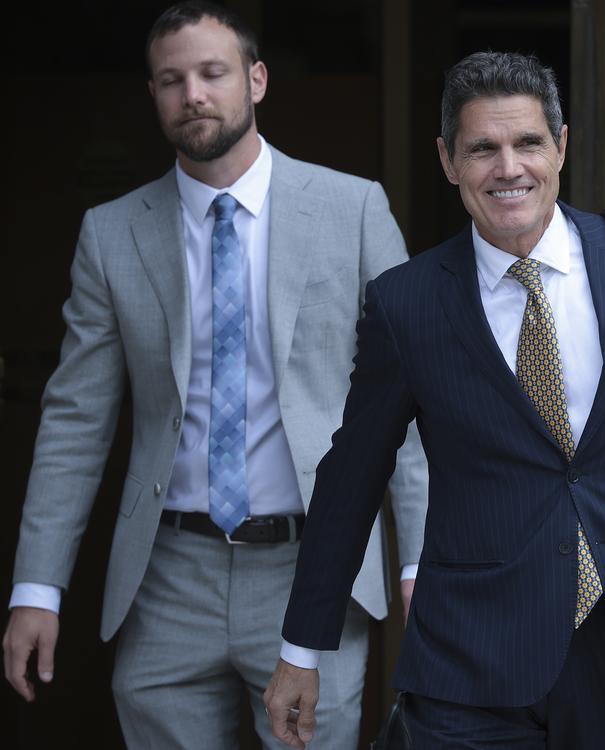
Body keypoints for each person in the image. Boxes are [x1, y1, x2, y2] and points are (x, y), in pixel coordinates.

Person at [265, 51, 605, 749]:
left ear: (561, 145)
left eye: (528, 142)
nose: (508, 168)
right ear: (447, 160)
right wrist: (301, 650)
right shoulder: (406, 304)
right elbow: (351, 480)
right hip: (469, 665)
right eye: (483, 149)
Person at [1, 2, 428, 748]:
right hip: (167, 577)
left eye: (212, 73)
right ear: (153, 97)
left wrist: (422, 559)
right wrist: (37, 588)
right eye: (171, 80)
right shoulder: (111, 233)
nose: (192, 94)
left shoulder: (352, 209)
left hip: (314, 567)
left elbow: (411, 399)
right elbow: (75, 418)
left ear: (256, 80)